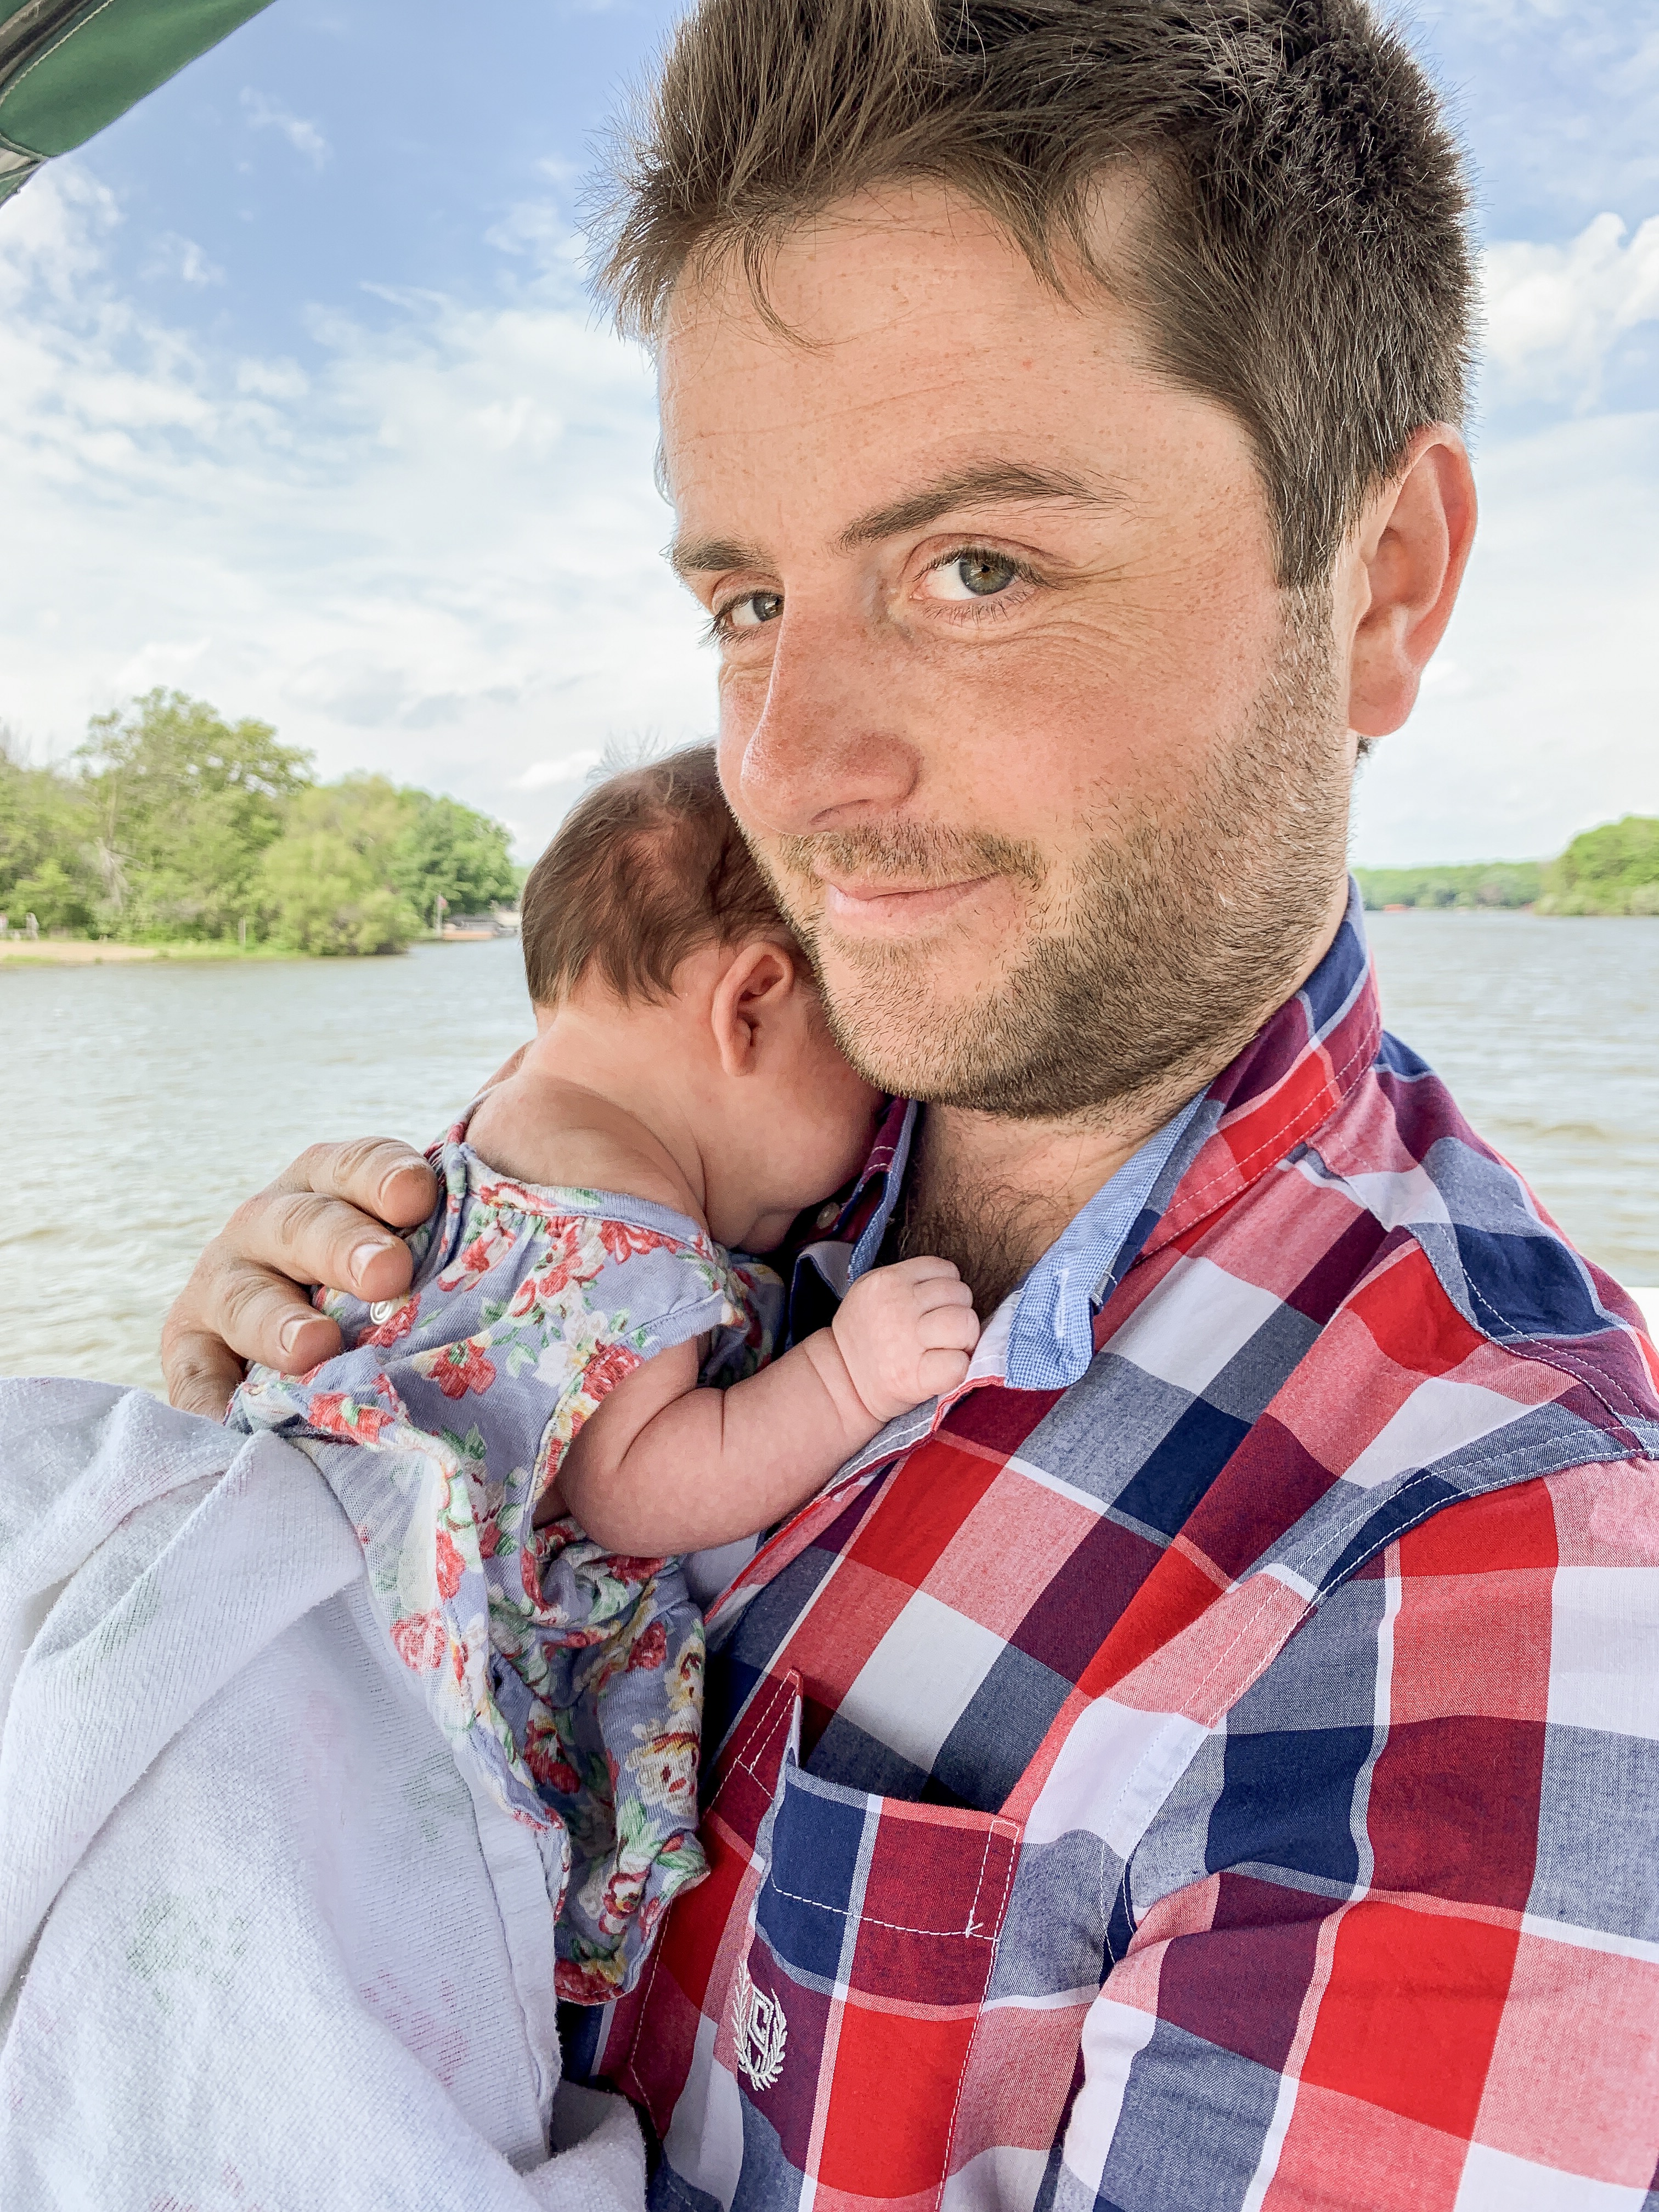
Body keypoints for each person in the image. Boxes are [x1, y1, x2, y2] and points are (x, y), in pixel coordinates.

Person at [162, 1, 1659, 2204]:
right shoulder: (711, 1170)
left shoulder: (1506, 1586)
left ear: (1383, 585)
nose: (796, 765)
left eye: (977, 568)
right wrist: (275, 1464)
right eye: (751, 599)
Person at [227, 745, 978, 2007]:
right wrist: (848, 1377)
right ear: (751, 1006)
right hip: (456, 1671)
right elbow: (634, 1484)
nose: (879, 1120)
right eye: (863, 1049)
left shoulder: (490, 1127)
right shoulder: (630, 1220)